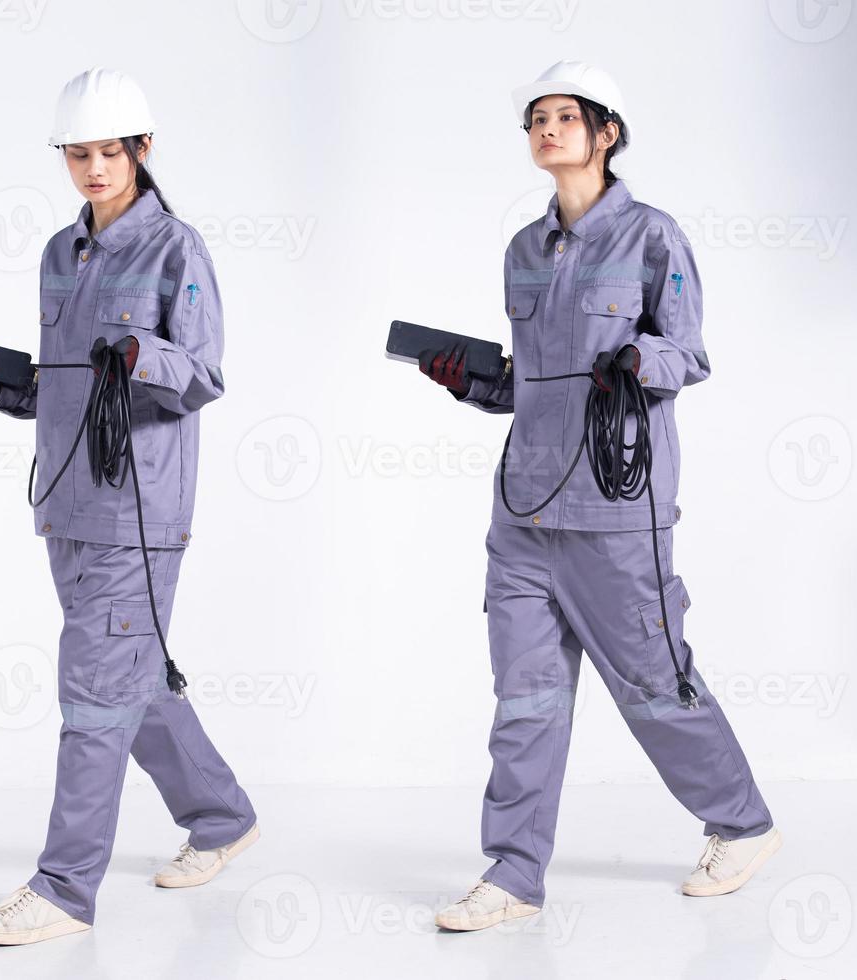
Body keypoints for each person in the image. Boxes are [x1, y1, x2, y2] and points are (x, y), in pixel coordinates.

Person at [419, 61, 779, 932]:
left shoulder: (652, 238)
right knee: (524, 701)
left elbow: (688, 355)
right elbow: (528, 386)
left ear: (605, 132)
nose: (546, 129)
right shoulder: (523, 250)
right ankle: (512, 874)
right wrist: (468, 381)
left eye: (563, 117)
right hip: (523, 512)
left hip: (618, 513)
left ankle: (743, 823)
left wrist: (638, 358)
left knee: (655, 684)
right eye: (535, 118)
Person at [0, 67, 259, 946]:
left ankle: (63, 888)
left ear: (143, 150)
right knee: (129, 679)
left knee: (92, 690)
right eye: (77, 154)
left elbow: (201, 375)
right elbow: (63, 387)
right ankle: (223, 815)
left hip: (140, 507)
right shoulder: (60, 252)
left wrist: (141, 355)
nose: (92, 169)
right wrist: (1, 390)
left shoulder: (178, 251)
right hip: (66, 499)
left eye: (107, 153)